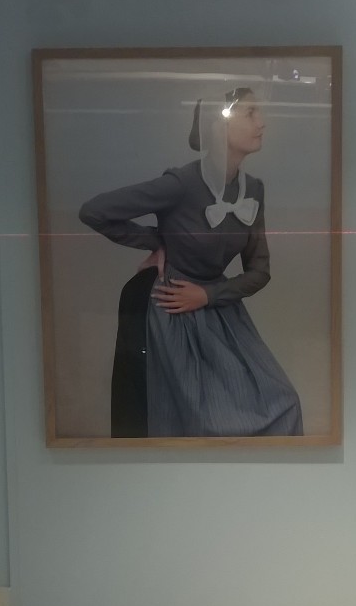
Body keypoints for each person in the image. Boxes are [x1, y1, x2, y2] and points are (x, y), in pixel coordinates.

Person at [79, 86, 303, 437]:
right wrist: (157, 241)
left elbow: (260, 271)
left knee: (284, 404)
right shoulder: (181, 183)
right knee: (203, 424)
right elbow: (94, 212)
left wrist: (209, 295)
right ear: (219, 125)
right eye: (250, 113)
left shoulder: (253, 190)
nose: (262, 122)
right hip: (172, 310)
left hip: (222, 311)